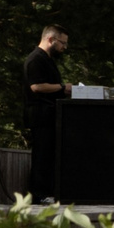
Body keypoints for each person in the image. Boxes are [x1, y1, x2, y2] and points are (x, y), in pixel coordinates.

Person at [21, 25, 70, 202]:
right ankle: (38, 194)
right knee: (41, 156)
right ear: (51, 39)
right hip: (39, 114)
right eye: (62, 43)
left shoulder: (48, 59)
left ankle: (48, 192)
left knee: (50, 156)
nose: (64, 47)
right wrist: (63, 88)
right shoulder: (35, 60)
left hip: (50, 114)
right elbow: (37, 86)